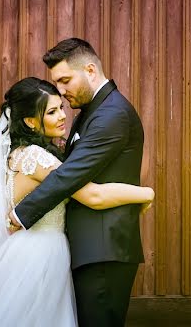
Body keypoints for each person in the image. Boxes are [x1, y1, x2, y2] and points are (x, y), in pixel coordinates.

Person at [0, 77, 154, 326]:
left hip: (29, 249)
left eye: (61, 108)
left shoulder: (20, 153)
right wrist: (145, 194)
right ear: (31, 122)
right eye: (52, 112)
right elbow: (93, 196)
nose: (62, 116)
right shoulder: (37, 158)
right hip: (40, 255)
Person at [9, 38, 145, 327]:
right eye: (57, 83)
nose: (61, 90)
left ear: (91, 70)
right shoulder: (92, 113)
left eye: (66, 80)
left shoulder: (111, 114)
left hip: (103, 250)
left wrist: (23, 212)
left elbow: (71, 173)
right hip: (88, 250)